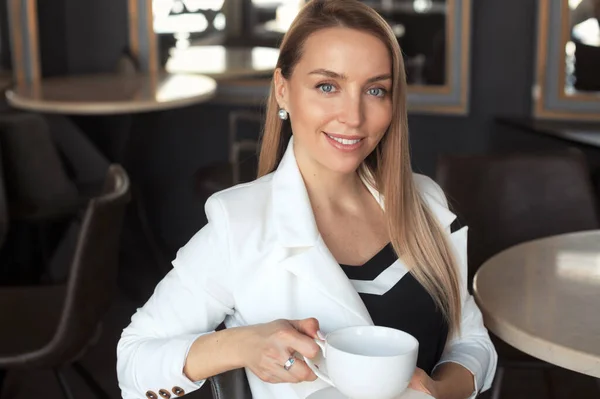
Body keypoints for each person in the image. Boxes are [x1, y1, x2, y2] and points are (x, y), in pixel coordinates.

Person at [117, 1, 497, 398]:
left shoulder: (424, 203)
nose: (353, 116)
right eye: (327, 86)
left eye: (375, 89)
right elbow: (133, 360)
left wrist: (438, 392)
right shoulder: (240, 225)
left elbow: (470, 342)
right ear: (283, 90)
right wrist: (243, 345)